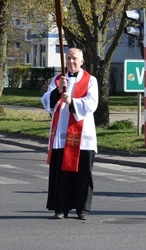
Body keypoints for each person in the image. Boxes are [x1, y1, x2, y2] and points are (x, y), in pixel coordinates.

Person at [41, 48, 99, 220]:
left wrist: (72, 101)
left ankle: (82, 209)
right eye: (68, 58)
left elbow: (92, 103)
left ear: (81, 61)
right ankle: (60, 207)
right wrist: (57, 91)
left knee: (83, 174)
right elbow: (46, 102)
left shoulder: (91, 80)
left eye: (74, 59)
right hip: (61, 134)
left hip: (84, 137)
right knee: (61, 174)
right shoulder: (58, 80)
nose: (71, 62)